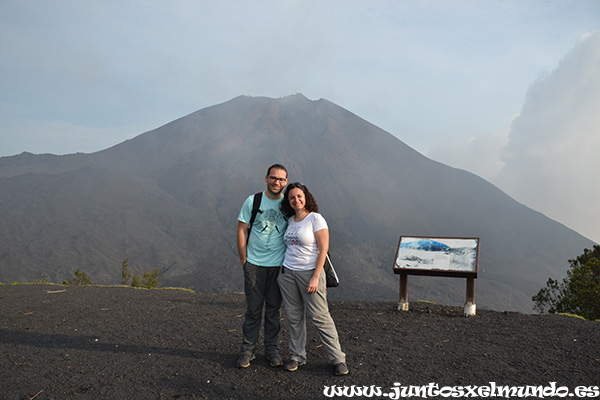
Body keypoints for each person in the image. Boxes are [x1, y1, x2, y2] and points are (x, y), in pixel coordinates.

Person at [277, 182, 349, 376]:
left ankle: (338, 359)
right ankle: (296, 356)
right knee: (294, 317)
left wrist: (316, 277)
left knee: (320, 316)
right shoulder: (290, 220)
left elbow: (323, 249)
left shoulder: (316, 219)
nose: (296, 200)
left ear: (306, 197)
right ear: (288, 201)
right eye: (292, 197)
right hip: (288, 273)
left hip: (310, 273)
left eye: (299, 196)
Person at [236, 164, 289, 368]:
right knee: (253, 310)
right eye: (273, 178)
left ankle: (271, 350)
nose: (277, 182)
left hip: (278, 266)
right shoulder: (253, 201)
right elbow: (241, 230)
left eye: (281, 179)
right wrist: (244, 260)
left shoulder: (288, 203)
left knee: (274, 310)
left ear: (286, 181)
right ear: (266, 178)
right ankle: (247, 351)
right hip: (254, 265)